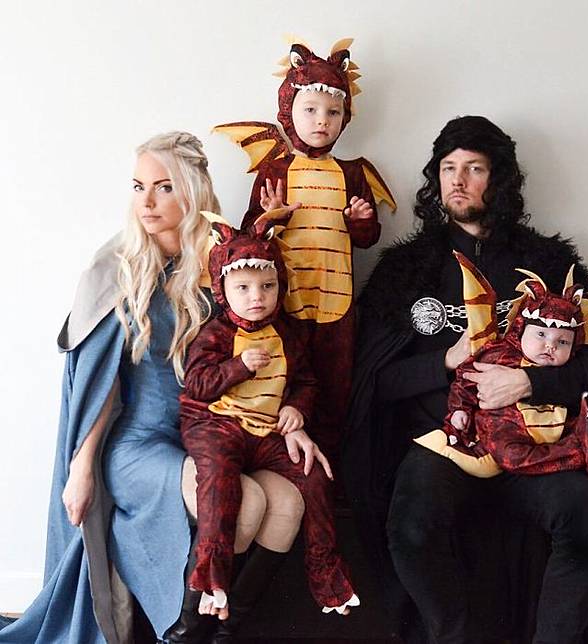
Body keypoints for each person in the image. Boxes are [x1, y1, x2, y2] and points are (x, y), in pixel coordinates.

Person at [0, 132, 316, 644]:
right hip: (138, 445)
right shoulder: (116, 268)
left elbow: (274, 350)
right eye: (138, 186)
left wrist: (292, 419)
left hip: (212, 433)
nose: (146, 201)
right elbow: (99, 385)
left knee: (285, 502)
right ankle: (182, 633)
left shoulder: (222, 263)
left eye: (164, 187)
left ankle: (218, 632)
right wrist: (82, 468)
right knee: (244, 502)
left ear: (192, 192)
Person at [345, 116, 588, 643]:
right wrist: (444, 362)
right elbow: (374, 383)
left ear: (500, 179)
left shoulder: (550, 265)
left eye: (474, 168)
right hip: (446, 447)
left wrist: (529, 384)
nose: (458, 180)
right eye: (448, 168)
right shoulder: (405, 270)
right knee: (410, 525)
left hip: (536, 447)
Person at [215, 39, 396, 467]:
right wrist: (271, 216)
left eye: (333, 112)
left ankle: (330, 473)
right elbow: (250, 240)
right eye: (310, 109)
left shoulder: (353, 173)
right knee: (286, 386)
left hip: (337, 306)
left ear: (345, 118)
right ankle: (284, 466)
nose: (321, 120)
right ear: (288, 111)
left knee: (335, 392)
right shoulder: (274, 168)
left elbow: (369, 239)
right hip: (284, 306)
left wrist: (360, 220)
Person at [179, 212, 359, 638]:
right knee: (219, 481)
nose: (256, 297)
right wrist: (239, 366)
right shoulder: (216, 333)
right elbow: (198, 385)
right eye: (243, 288)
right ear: (222, 291)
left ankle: (326, 575)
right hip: (217, 423)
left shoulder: (287, 333)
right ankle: (211, 580)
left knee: (315, 476)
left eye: (267, 286)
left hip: (265, 431)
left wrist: (297, 410)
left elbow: (306, 381)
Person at [416, 254, 588, 504]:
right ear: (521, 330)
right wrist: (459, 409)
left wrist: (531, 381)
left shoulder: (552, 264)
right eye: (541, 335)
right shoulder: (497, 354)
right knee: (510, 454)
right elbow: (465, 382)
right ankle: (577, 453)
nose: (550, 346)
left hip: (554, 420)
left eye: (562, 342)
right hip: (505, 428)